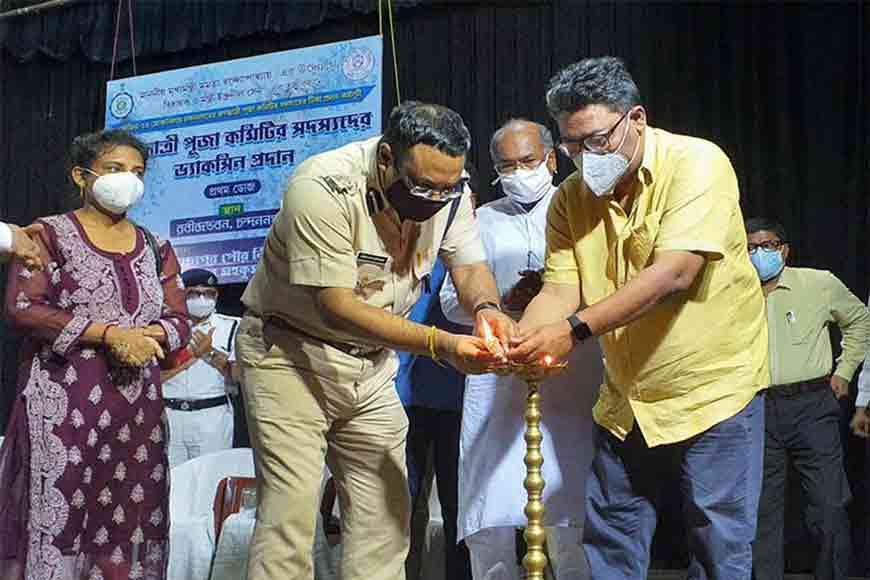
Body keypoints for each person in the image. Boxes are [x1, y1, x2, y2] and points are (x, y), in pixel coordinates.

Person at [508, 57, 769, 580]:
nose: (585, 156)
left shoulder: (697, 163)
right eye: (572, 145)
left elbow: (674, 273)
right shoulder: (569, 200)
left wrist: (573, 330)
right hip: (626, 400)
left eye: (597, 139)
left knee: (719, 548)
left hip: (713, 395)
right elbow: (561, 288)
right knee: (610, 545)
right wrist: (522, 338)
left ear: (637, 119)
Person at [236, 101, 514, 580]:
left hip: (371, 368)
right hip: (289, 356)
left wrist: (487, 310)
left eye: (448, 188)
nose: (435, 199)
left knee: (386, 516)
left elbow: (468, 266)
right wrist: (442, 345)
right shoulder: (321, 187)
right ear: (386, 158)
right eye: (423, 185)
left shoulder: (453, 194)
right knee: (291, 515)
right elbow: (336, 305)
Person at [0, 129, 191, 580]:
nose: (128, 180)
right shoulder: (47, 235)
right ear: (81, 176)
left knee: (129, 520)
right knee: (58, 518)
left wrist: (153, 336)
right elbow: (23, 307)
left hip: (136, 412)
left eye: (138, 172)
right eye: (114, 169)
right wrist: (108, 335)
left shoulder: (155, 246)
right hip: (63, 408)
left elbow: (180, 317)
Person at [441, 119, 601, 580]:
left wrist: (556, 303)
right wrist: (502, 304)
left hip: (572, 370)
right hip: (498, 375)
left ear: (551, 159)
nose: (517, 172)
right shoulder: (480, 221)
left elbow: (608, 287)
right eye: (505, 165)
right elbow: (453, 301)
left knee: (571, 504)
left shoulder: (583, 209)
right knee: (491, 504)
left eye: (527, 161)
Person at [745, 217, 868, 580]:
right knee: (761, 511)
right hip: (756, 408)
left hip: (812, 406)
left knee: (828, 506)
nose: (758, 254)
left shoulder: (818, 283)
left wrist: (844, 372)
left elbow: (860, 320)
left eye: (766, 246)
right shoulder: (733, 292)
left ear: (784, 250)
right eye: (750, 247)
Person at [160, 268, 240, 468]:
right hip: (169, 415)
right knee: (170, 486)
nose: (201, 299)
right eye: (194, 294)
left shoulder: (233, 326)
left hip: (212, 417)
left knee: (211, 482)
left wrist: (209, 352)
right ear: (181, 296)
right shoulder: (164, 328)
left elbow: (239, 377)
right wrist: (192, 355)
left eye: (208, 294)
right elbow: (154, 378)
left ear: (216, 295)